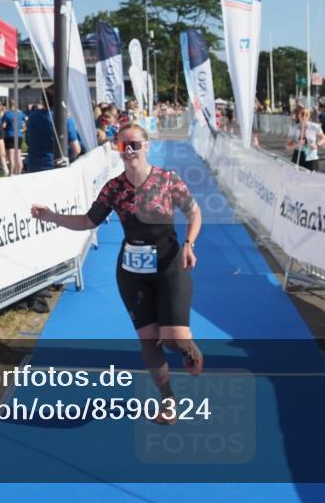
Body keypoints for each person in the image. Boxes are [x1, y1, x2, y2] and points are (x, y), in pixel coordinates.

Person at [30, 122, 203, 424]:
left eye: (136, 144)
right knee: (149, 342)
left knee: (174, 339)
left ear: (147, 145)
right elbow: (87, 221)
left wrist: (189, 244)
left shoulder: (166, 180)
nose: (131, 150)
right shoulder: (114, 187)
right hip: (132, 271)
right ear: (118, 149)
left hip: (169, 266)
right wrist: (51, 216)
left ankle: (189, 350)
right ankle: (169, 402)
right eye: (125, 145)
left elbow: (194, 212)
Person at [25, 88, 81, 172]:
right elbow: (76, 150)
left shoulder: (32, 116)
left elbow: (28, 140)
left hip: (33, 166)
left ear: (43, 99)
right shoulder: (66, 119)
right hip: (55, 168)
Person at [285, 107, 325, 171]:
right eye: (302, 114)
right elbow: (287, 146)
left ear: (309, 116)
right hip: (298, 156)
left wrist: (317, 145)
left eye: (306, 114)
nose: (304, 116)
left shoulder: (315, 127)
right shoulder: (294, 129)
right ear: (298, 115)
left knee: (312, 179)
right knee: (297, 179)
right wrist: (296, 145)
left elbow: (324, 139)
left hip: (312, 157)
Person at [2, 99, 26, 175]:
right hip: (19, 135)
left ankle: (11, 173)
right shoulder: (21, 113)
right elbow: (24, 125)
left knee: (11, 156)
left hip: (10, 135)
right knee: (18, 155)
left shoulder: (7, 114)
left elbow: (3, 125)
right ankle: (19, 172)